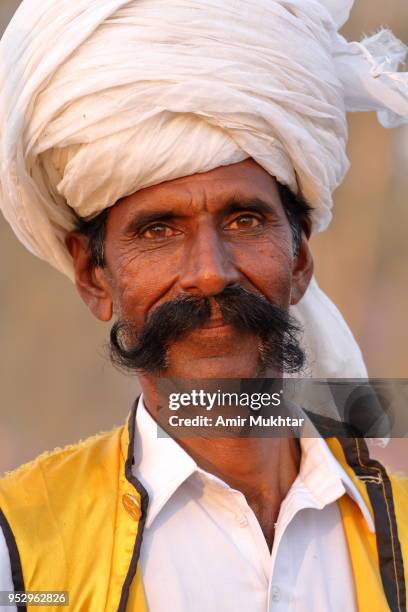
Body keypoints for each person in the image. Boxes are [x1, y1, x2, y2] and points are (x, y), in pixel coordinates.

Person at [0, 0, 407, 610]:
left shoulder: (396, 528)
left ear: (299, 260)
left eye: (245, 220)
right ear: (94, 275)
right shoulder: (22, 554)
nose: (210, 273)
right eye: (158, 230)